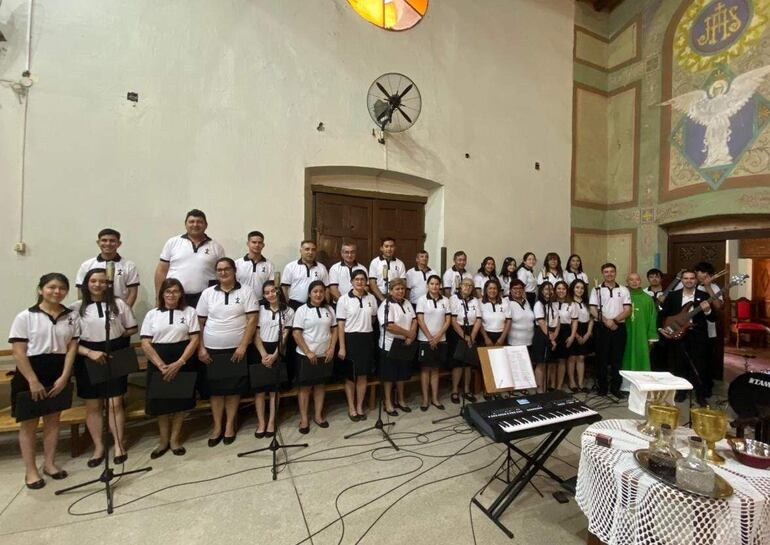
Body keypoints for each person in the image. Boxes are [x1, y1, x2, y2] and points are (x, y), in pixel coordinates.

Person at [9, 273, 79, 489]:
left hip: (58, 372)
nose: (56, 292)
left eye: (61, 288)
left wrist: (65, 376)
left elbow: (72, 347)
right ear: (41, 290)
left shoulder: (71, 316)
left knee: (53, 420)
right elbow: (18, 352)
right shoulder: (26, 316)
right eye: (51, 287)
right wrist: (32, 380)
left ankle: (49, 463)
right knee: (29, 424)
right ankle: (31, 470)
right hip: (31, 372)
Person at [71, 268, 138, 466]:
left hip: (115, 351)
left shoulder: (118, 304)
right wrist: (90, 352)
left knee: (115, 402)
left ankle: (118, 444)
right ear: (87, 283)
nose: (98, 285)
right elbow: (70, 340)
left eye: (102, 282)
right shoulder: (75, 308)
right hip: (88, 355)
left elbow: (132, 327)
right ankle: (98, 446)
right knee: (93, 404)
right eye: (94, 281)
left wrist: (117, 336)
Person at [197, 257, 258, 446]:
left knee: (233, 390)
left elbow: (252, 320)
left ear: (234, 271)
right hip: (212, 350)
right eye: (219, 270)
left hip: (236, 350)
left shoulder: (246, 291)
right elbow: (199, 322)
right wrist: (201, 348)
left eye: (227, 269)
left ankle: (230, 425)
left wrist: (243, 346)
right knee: (216, 391)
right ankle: (217, 427)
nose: (223, 273)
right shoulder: (208, 293)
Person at [140, 278, 200, 458]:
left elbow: (195, 339)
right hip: (159, 362)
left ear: (181, 293)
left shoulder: (189, 312)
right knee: (162, 404)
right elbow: (145, 342)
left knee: (180, 403)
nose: (171, 295)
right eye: (168, 291)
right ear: (162, 294)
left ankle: (175, 440)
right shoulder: (152, 314)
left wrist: (180, 362)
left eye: (175, 291)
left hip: (182, 360)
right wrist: (160, 364)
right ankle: (163, 441)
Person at [660, 270, 714, 405]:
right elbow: (663, 315)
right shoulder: (673, 296)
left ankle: (700, 395)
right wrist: (662, 329)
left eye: (691, 278)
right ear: (682, 280)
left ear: (696, 280)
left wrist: (707, 310)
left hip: (698, 335)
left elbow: (713, 318)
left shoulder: (704, 295)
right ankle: (681, 392)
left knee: (699, 366)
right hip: (678, 335)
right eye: (686, 278)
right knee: (679, 365)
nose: (689, 280)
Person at [292, 281, 338, 433]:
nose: (318, 294)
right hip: (306, 356)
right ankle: (304, 418)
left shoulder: (329, 309)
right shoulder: (301, 310)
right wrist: (308, 352)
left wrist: (331, 348)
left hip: (324, 355)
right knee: (305, 388)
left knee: (320, 386)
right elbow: (296, 333)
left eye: (321, 291)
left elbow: (334, 330)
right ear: (309, 294)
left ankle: (318, 415)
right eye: (315, 291)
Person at [155, 209, 225, 307]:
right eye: (191, 221)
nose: (195, 225)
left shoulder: (216, 247)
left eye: (199, 222)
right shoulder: (173, 242)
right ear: (186, 224)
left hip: (205, 298)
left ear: (206, 225)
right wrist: (159, 297)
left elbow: (222, 274)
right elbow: (161, 271)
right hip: (175, 298)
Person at [253, 281, 294, 438]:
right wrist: (263, 354)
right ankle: (261, 422)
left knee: (273, 390)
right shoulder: (259, 309)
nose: (270, 294)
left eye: (273, 291)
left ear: (278, 292)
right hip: (260, 350)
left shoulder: (289, 311)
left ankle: (271, 421)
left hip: (278, 351)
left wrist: (276, 354)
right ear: (263, 295)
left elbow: (285, 335)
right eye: (267, 292)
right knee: (260, 390)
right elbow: (255, 334)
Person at [336, 270, 377, 421]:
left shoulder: (371, 298)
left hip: (366, 338)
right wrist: (342, 346)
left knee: (362, 375)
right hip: (350, 339)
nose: (360, 282)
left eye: (362, 279)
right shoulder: (343, 300)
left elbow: (373, 319)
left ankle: (360, 406)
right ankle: (351, 407)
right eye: (357, 279)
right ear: (351, 282)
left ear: (366, 281)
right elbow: (340, 325)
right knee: (350, 377)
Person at [589, 263, 632, 398]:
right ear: (603, 274)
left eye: (611, 271)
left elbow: (627, 310)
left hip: (619, 327)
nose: (609, 274)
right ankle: (602, 387)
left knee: (617, 359)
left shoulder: (624, 289)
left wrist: (614, 321)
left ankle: (615, 388)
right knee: (601, 358)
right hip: (602, 328)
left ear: (615, 273)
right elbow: (593, 309)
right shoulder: (596, 290)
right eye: (606, 272)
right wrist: (607, 321)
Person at [377, 278, 417, 415]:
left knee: (402, 375)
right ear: (391, 291)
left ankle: (401, 399)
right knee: (389, 376)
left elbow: (414, 320)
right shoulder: (386, 305)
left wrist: (411, 335)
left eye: (402, 289)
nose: (400, 291)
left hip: (405, 344)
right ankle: (388, 402)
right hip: (389, 345)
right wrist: (408, 334)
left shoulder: (407, 303)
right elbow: (389, 326)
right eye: (397, 289)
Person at [76, 228, 140, 307]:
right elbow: (81, 290)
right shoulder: (86, 265)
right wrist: (85, 310)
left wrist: (125, 312)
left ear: (119, 243)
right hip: (93, 310)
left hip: (119, 310)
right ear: (98, 242)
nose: (108, 243)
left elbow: (132, 292)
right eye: (104, 240)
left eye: (112, 241)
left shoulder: (129, 266)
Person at [416, 275, 451, 411]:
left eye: (437, 284)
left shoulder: (445, 300)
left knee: (436, 369)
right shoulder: (422, 300)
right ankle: (425, 399)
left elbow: (448, 321)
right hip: (425, 339)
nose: (435, 286)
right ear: (427, 285)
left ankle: (435, 398)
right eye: (432, 284)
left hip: (441, 339)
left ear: (440, 285)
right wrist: (430, 338)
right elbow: (420, 320)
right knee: (425, 370)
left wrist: (438, 337)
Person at [449, 278, 480, 403]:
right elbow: (453, 320)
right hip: (458, 332)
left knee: (468, 363)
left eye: (470, 285)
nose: (467, 287)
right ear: (460, 286)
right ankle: (455, 390)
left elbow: (478, 319)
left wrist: (471, 336)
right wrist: (464, 336)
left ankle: (467, 390)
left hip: (472, 331)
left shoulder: (475, 300)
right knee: (458, 363)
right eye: (465, 285)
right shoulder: (454, 299)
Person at [621, 273, 659, 373]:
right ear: (627, 282)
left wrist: (651, 337)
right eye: (631, 280)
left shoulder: (648, 299)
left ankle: (643, 383)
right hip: (625, 333)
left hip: (642, 335)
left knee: (641, 356)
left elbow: (652, 318)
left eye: (637, 280)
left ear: (640, 281)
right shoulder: (623, 297)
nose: (634, 282)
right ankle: (625, 384)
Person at [281, 240, 330, 310]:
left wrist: (327, 305)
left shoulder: (321, 267)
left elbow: (327, 289)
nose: (310, 252)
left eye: (313, 250)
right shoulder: (290, 267)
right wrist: (287, 304)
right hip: (295, 305)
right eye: (307, 249)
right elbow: (284, 288)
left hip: (316, 305)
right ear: (301, 250)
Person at [550, 280, 577, 391]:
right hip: (553, 331)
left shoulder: (572, 304)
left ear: (567, 291)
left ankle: (559, 386)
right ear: (555, 290)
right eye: (559, 288)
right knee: (552, 360)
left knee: (562, 360)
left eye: (563, 289)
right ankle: (552, 384)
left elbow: (574, 322)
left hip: (566, 332)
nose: (561, 291)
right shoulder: (550, 303)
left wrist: (572, 336)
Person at [567, 279, 593, 392]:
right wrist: (576, 335)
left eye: (582, 288)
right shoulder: (568, 302)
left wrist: (588, 333)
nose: (580, 290)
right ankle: (572, 382)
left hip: (585, 330)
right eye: (577, 287)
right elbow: (569, 320)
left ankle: (581, 383)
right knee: (572, 357)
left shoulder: (586, 302)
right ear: (573, 288)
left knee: (582, 357)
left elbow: (591, 319)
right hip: (573, 330)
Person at [235, 230, 275, 301]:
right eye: (254, 242)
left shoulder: (269, 265)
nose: (257, 245)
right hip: (241, 301)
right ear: (248, 244)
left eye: (260, 243)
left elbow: (271, 287)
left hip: (262, 302)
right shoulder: (237, 263)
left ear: (263, 245)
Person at [532, 282, 557, 393]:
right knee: (541, 363)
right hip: (542, 333)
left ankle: (545, 386)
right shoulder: (539, 304)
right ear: (541, 291)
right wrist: (550, 337)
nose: (549, 291)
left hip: (552, 333)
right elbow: (541, 321)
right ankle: (539, 388)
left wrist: (555, 334)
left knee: (548, 363)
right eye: (546, 289)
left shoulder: (553, 304)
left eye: (551, 289)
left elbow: (558, 320)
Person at [369, 237, 407, 302]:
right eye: (386, 246)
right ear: (381, 248)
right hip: (379, 297)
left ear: (395, 248)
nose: (389, 249)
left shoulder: (400, 263)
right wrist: (382, 298)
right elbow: (372, 283)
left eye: (391, 246)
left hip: (395, 297)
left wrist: (397, 296)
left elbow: (403, 283)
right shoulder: (375, 262)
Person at [478, 279, 510, 348]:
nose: (492, 291)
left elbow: (509, 321)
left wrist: (502, 339)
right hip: (484, 335)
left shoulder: (504, 301)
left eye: (495, 288)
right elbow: (478, 322)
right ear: (486, 290)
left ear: (498, 290)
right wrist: (486, 338)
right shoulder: (479, 302)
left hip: (502, 335)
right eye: (490, 288)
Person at [506, 279, 534, 349]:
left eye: (520, 288)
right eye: (515, 288)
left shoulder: (526, 301)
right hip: (514, 343)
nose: (518, 290)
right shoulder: (506, 301)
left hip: (529, 342)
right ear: (510, 289)